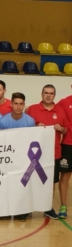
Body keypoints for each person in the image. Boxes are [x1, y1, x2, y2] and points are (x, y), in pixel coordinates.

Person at [27, 84, 68, 220]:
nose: (48, 95)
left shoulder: (60, 110)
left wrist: (61, 128)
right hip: (34, 154)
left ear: (54, 95)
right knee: (32, 180)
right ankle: (29, 207)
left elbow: (66, 130)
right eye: (46, 93)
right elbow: (24, 127)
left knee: (51, 182)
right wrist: (35, 126)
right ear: (41, 94)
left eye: (51, 93)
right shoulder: (32, 109)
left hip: (53, 153)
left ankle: (48, 207)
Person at [0, 92, 35, 222]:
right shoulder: (3, 120)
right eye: (16, 104)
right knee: (8, 183)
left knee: (23, 185)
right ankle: (6, 210)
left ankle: (23, 211)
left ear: (24, 105)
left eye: (21, 104)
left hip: (24, 158)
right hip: (8, 158)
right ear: (11, 104)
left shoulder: (30, 121)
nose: (18, 106)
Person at [57, 86, 72, 219]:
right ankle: (63, 206)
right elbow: (51, 111)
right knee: (65, 176)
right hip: (68, 144)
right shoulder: (64, 102)